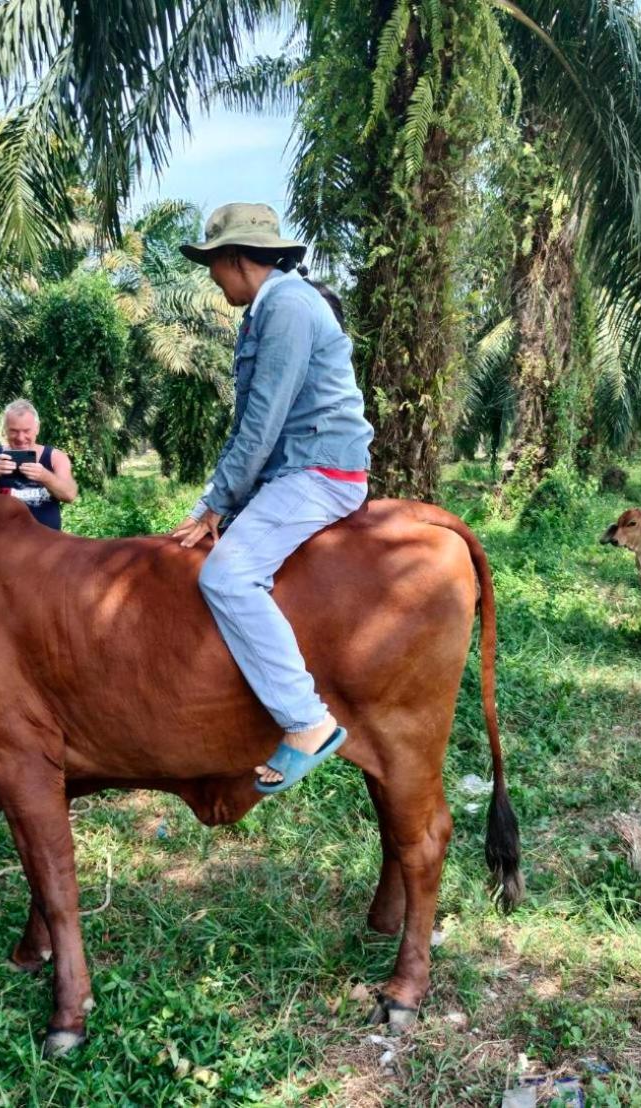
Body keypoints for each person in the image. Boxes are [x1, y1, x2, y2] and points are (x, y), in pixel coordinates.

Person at [170, 202, 374, 795]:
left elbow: (261, 425)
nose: (211, 277)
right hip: (298, 467)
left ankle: (307, 722)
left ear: (236, 258)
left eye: (214, 264)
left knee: (227, 579)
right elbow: (252, 430)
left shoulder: (284, 307)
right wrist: (222, 501)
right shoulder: (271, 308)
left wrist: (214, 504)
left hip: (318, 472)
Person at [0, 399, 79, 529]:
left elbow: (70, 494)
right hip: (2, 543)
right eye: (14, 431)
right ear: (5, 430)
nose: (21, 438)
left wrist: (45, 476)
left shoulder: (55, 457)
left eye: (27, 431)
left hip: (47, 545)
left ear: (37, 429)